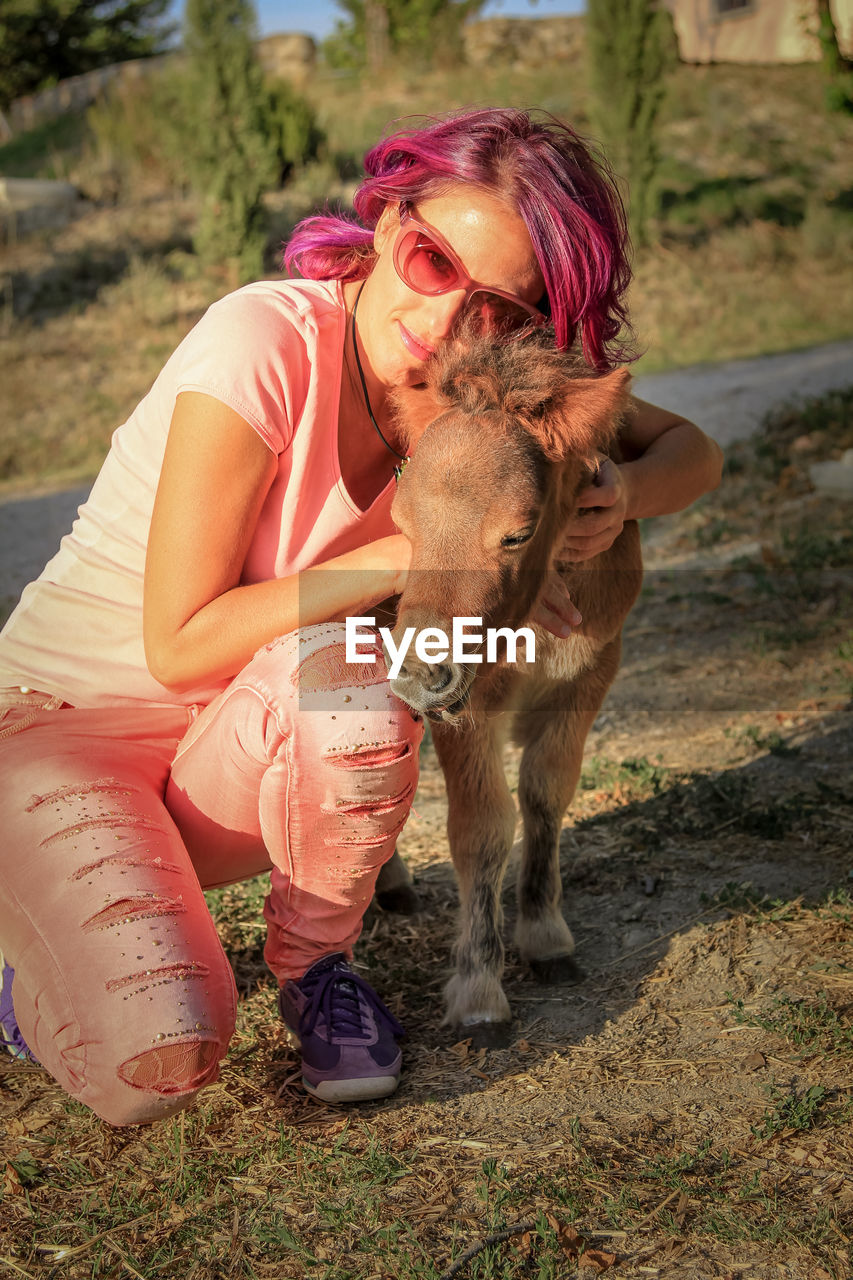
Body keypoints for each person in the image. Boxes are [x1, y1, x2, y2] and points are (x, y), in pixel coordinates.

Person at [0, 108, 723, 1126]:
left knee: (356, 686)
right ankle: (39, 944)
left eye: (500, 306)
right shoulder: (262, 339)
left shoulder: (481, 402)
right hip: (64, 728)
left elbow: (691, 447)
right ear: (386, 222)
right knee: (154, 1058)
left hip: (232, 758)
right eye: (432, 259)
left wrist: (622, 495)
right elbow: (177, 643)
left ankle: (316, 967)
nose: (446, 321)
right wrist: (410, 550)